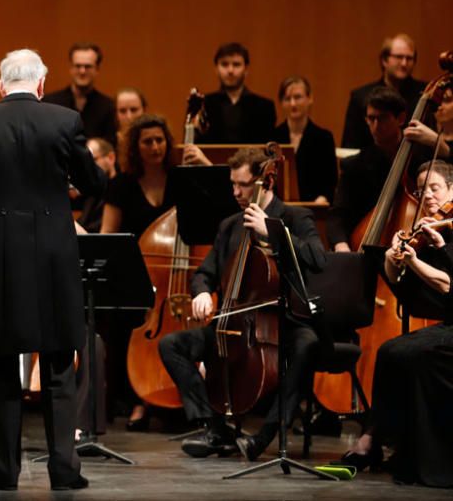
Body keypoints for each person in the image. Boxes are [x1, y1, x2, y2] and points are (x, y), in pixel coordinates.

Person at [0, 48, 105, 491]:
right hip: (53, 256)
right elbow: (94, 184)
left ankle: (3, 471)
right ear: (43, 84)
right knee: (58, 365)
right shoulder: (64, 121)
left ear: (0, 85)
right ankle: (64, 471)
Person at [158, 147, 326, 461]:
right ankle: (215, 426)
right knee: (171, 345)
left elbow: (318, 259)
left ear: (267, 181)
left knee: (308, 345)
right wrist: (202, 292)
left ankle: (263, 437)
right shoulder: (230, 225)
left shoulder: (295, 217)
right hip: (235, 323)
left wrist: (274, 233)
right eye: (232, 184)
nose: (235, 192)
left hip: (284, 322)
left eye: (243, 185)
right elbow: (204, 273)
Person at [338, 160, 453, 487]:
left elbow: (447, 284)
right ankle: (378, 439)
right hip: (449, 327)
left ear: (451, 190)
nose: (427, 196)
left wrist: (416, 261)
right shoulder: (434, 230)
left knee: (406, 353)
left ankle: (385, 444)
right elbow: (410, 293)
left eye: (435, 188)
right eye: (421, 190)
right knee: (390, 350)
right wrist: (391, 263)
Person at [99, 114, 178, 429]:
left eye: (160, 140)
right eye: (148, 141)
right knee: (127, 327)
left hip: (174, 278)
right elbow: (108, 236)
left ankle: (175, 397)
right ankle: (138, 401)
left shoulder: (180, 179)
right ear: (136, 147)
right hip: (133, 276)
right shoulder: (121, 185)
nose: (155, 146)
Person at [328, 87, 407, 252]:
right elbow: (338, 215)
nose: (376, 126)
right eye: (371, 119)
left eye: (383, 118)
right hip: (368, 249)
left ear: (400, 118)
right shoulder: (355, 165)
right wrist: (341, 245)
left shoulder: (419, 159)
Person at [341, 33, 425, 150]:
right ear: (384, 60)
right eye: (399, 57)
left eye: (409, 58)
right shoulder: (360, 96)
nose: (404, 63)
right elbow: (350, 145)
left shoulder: (424, 94)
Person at [270, 75, 337, 204]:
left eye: (298, 97)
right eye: (287, 98)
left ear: (309, 98)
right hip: (279, 208)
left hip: (314, 207)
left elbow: (330, 182)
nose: (293, 103)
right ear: (281, 102)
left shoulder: (324, 138)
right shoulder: (273, 138)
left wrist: (318, 204)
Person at [195, 42, 276, 145]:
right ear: (216, 69)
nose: (230, 70)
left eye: (236, 64)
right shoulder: (203, 104)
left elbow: (268, 151)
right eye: (224, 64)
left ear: (246, 69)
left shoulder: (264, 107)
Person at [43, 42, 118, 141]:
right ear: (71, 68)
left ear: (97, 69)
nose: (82, 71)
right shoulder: (50, 103)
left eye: (88, 67)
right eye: (78, 66)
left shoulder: (109, 107)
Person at [78, 138, 116, 233]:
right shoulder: (91, 190)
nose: (87, 167)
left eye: (92, 160)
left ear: (111, 158)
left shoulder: (122, 189)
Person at [114, 87, 146, 171]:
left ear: (144, 111)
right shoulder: (109, 142)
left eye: (134, 110)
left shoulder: (153, 142)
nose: (129, 116)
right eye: (122, 111)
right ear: (116, 114)